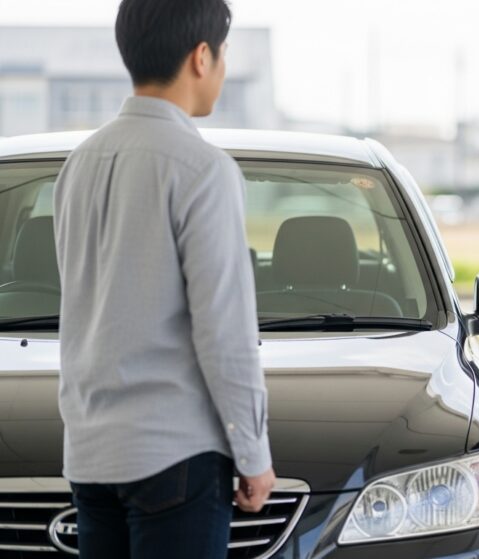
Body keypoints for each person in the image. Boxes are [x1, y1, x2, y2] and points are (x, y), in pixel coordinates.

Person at [52, 0, 275, 556]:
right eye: (222, 55)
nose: (221, 68)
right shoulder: (203, 169)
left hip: (89, 455)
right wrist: (253, 455)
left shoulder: (79, 164)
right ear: (202, 57)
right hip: (175, 458)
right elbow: (224, 333)